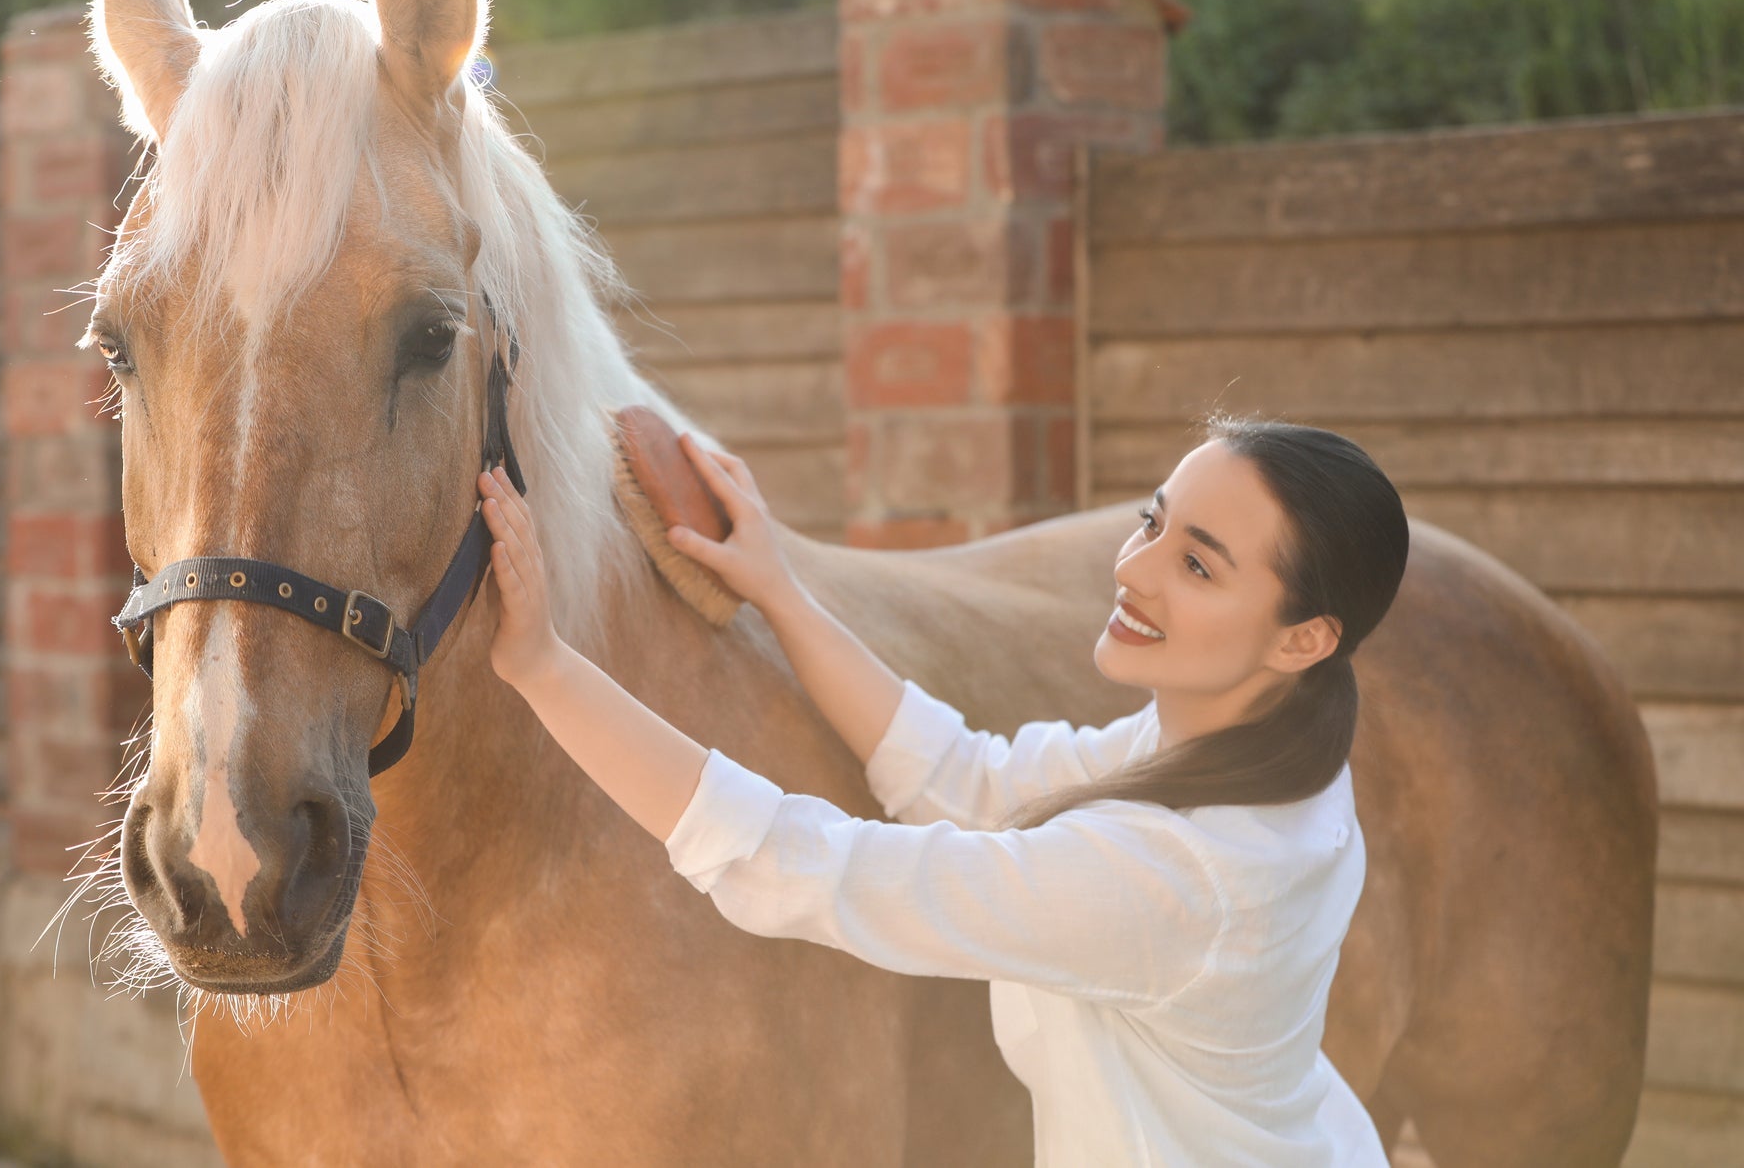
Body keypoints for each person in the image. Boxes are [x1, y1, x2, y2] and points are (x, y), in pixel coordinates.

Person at [471, 414, 1410, 1166]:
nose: (1132, 570)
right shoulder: (1256, 746)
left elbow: (800, 865)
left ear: (1304, 638)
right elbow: (972, 779)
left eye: (1196, 565)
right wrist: (784, 593)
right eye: (1152, 522)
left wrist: (546, 666)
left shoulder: (1181, 875)